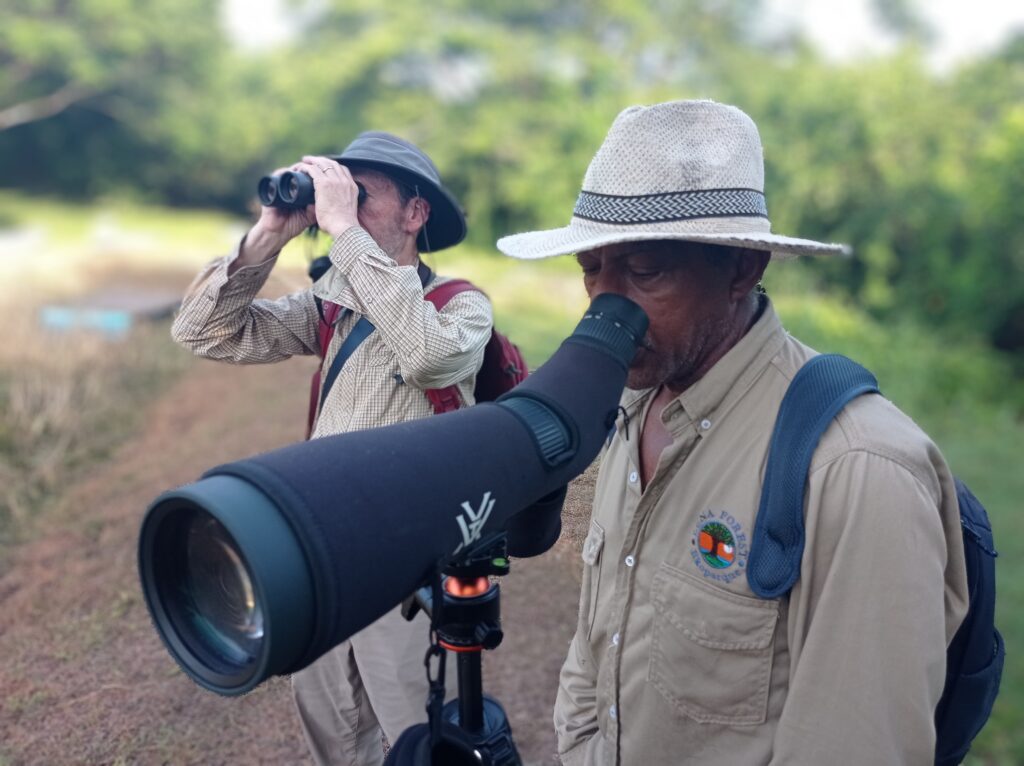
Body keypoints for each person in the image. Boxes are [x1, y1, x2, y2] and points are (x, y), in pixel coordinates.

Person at [496, 100, 968, 765]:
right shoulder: (632, 403)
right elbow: (600, 635)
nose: (605, 306)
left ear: (742, 269)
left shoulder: (856, 469)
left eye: (645, 271)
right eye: (591, 270)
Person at [171, 131, 490, 765]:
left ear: (416, 212)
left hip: (406, 564)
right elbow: (201, 331)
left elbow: (428, 357)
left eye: (359, 195)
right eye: (333, 194)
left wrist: (344, 231)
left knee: (417, 734)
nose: (338, 206)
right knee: (333, 730)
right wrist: (269, 234)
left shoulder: (460, 306)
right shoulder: (331, 309)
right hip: (322, 548)